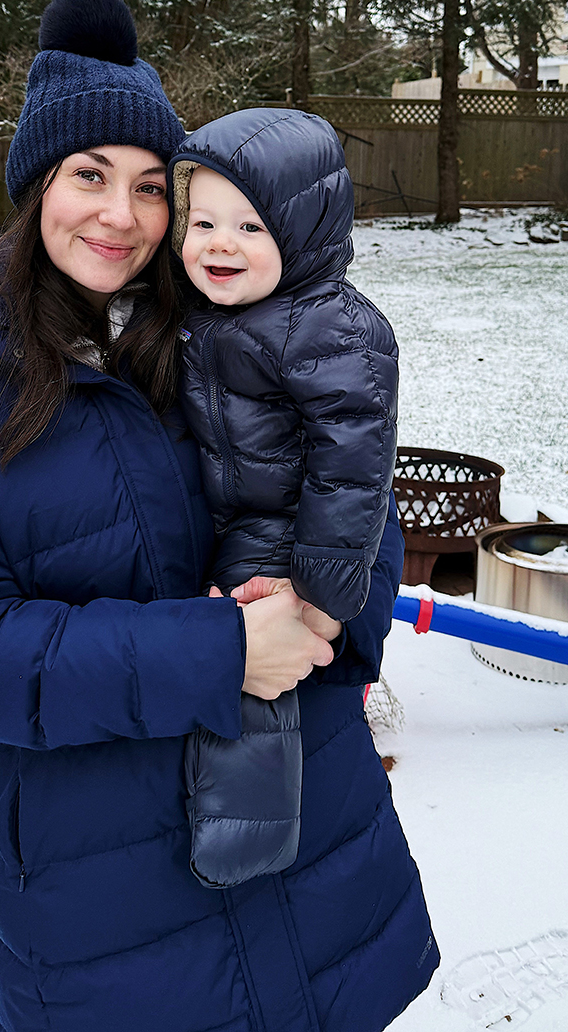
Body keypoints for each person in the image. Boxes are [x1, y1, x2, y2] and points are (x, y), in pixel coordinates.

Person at [0, 0, 438, 1032]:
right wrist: (221, 651)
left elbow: (357, 508)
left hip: (312, 844)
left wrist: (323, 611)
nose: (121, 215)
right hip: (108, 901)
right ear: (35, 187)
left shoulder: (226, 327)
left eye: (152, 185)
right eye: (88, 176)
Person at [168, 111, 400, 888]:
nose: (217, 244)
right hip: (236, 515)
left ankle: (243, 835)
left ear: (302, 235)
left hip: (282, 536)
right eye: (201, 222)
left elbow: (353, 466)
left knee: (259, 689)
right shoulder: (226, 311)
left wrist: (321, 590)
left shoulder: (330, 327)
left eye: (248, 226)